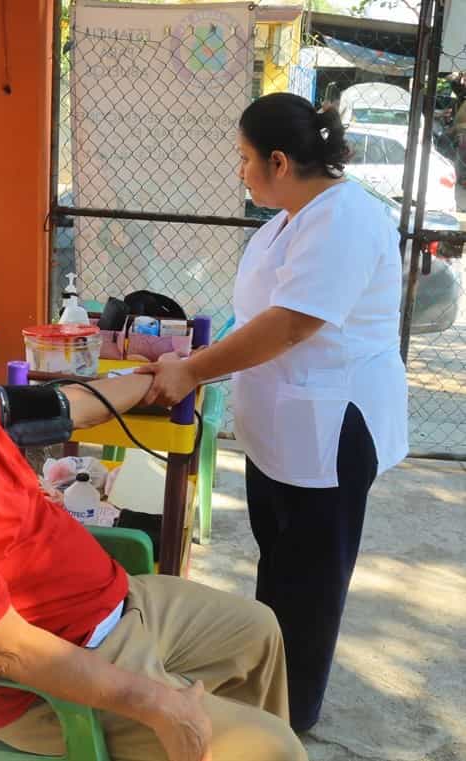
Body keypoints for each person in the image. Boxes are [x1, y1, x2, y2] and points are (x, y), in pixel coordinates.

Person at [0, 257, 307, 761]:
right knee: (273, 749)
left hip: (116, 604)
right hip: (53, 681)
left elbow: (70, 406)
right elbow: (6, 650)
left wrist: (163, 376)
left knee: (258, 634)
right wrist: (158, 704)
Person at [137, 93, 408, 733]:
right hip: (282, 430)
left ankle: (292, 717)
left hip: (331, 428)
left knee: (310, 580)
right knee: (280, 565)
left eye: (245, 158)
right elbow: (257, 315)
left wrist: (193, 370)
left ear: (279, 161)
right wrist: (192, 350)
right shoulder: (286, 220)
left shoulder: (346, 220)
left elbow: (290, 324)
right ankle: (268, 689)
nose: (241, 171)